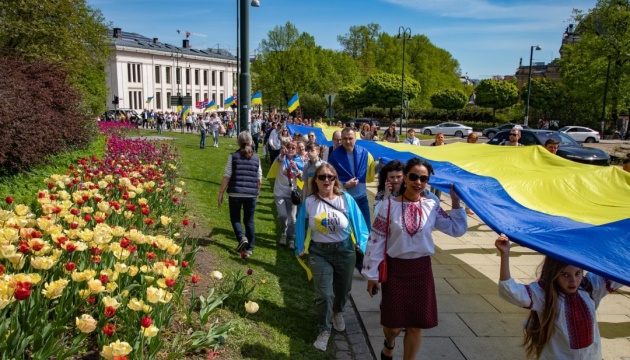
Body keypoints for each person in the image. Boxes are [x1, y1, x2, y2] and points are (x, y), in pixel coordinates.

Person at [363, 157, 467, 360]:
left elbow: (456, 229)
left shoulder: (431, 205)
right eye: (413, 177)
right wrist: (372, 274)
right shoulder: (388, 206)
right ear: (405, 178)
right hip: (396, 270)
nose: (418, 182)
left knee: (416, 325)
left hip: (421, 271)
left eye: (423, 178)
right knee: (392, 326)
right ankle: (389, 343)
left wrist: (455, 202)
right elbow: (376, 240)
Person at [494, 233, 621, 359]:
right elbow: (509, 290)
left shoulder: (589, 287)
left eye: (578, 273)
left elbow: (619, 271)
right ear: (553, 273)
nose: (573, 281)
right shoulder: (544, 294)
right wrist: (505, 255)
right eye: (565, 275)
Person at [295, 164, 369, 352]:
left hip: (345, 250)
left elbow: (359, 222)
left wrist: (362, 242)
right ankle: (324, 329)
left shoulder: (346, 199)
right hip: (319, 252)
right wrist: (299, 244)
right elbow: (300, 224)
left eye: (330, 177)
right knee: (324, 294)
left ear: (335, 179)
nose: (326, 180)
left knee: (343, 290)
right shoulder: (310, 202)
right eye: (322, 177)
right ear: (316, 180)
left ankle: (338, 312)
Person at [218, 132, 262, 258]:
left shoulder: (233, 156)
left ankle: (241, 237)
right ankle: (250, 248)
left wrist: (221, 193)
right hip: (251, 193)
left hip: (235, 192)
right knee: (249, 220)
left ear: (238, 142)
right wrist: (257, 191)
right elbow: (259, 178)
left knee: (235, 218)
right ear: (251, 142)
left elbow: (227, 176)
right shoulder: (257, 158)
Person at [328, 128, 375, 230]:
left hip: (362, 199)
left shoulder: (364, 153)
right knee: (347, 230)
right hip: (344, 199)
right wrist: (345, 185)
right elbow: (330, 180)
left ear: (355, 139)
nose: (348, 141)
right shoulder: (334, 156)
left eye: (350, 138)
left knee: (366, 229)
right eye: (344, 138)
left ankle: (364, 246)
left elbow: (372, 169)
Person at [273, 140, 304, 249]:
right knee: (282, 215)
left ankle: (291, 239)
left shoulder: (298, 161)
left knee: (292, 218)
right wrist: (282, 154)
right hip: (279, 192)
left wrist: (295, 168)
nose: (290, 149)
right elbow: (277, 161)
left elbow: (301, 177)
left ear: (296, 150)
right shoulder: (282, 158)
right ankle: (283, 233)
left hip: (292, 194)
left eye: (293, 148)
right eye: (289, 147)